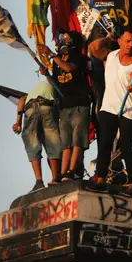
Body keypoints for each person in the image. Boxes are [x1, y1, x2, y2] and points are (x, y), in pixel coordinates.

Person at [88, 30, 132, 192]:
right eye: (127, 41)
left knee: (126, 146)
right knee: (105, 143)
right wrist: (108, 38)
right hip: (109, 107)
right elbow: (94, 47)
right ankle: (100, 178)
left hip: (128, 110)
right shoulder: (110, 56)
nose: (130, 45)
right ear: (119, 41)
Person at [42, 31, 92, 182]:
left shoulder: (78, 57)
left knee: (77, 140)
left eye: (66, 39)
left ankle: (71, 171)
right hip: (64, 106)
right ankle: (62, 173)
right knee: (65, 144)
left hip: (79, 103)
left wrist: (52, 55)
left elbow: (69, 68)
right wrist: (47, 75)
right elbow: (57, 84)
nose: (62, 42)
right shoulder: (57, 62)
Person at [13, 79, 62, 192]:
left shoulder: (33, 91)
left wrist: (18, 122)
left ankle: (39, 181)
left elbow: (21, 100)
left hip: (30, 108)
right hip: (47, 106)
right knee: (52, 142)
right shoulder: (54, 81)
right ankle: (55, 178)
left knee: (32, 143)